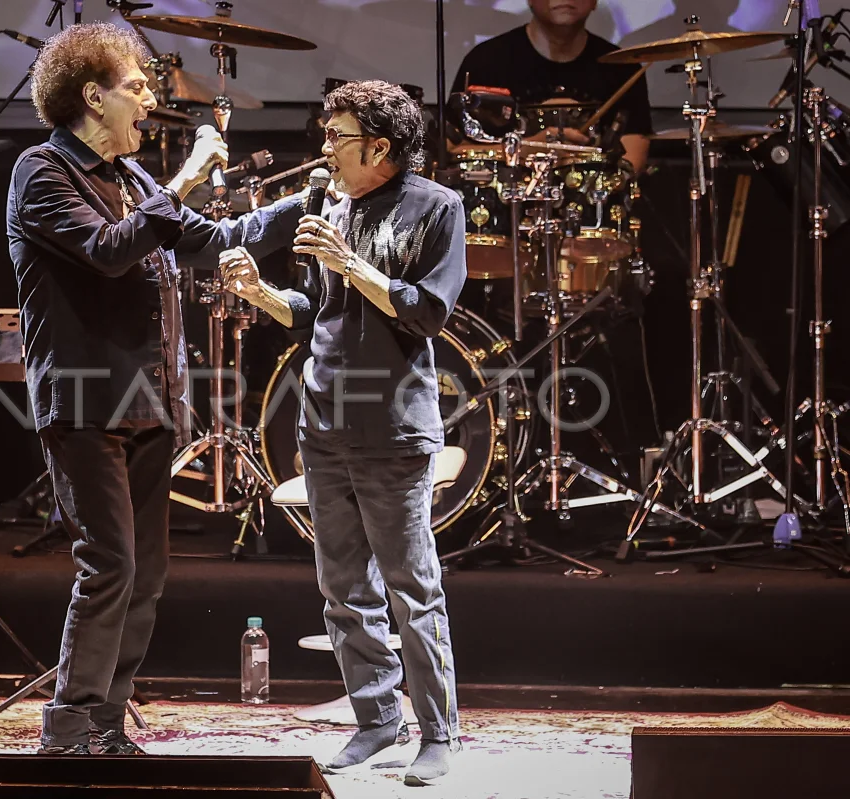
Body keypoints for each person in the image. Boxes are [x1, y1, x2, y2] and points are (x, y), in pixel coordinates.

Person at [7, 22, 306, 756]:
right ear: (93, 96)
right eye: (138, 86)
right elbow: (109, 251)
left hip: (151, 402)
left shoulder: (134, 181)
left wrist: (310, 200)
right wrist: (184, 180)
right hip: (85, 401)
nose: (151, 100)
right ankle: (67, 729)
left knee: (146, 575)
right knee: (109, 565)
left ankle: (107, 726)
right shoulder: (41, 172)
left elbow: (213, 239)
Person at [220, 80, 466, 787]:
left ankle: (438, 733)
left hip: (394, 425)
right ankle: (377, 718)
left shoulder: (437, 207)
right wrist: (261, 294)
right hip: (323, 421)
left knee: (411, 588)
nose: (324, 147)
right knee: (343, 588)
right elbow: (314, 313)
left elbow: (427, 313)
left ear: (379, 147)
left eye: (337, 136)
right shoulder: (331, 205)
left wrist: (350, 263)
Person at [451, 0, 652, 172]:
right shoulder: (486, 61)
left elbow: (633, 156)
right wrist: (524, 151)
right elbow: (451, 149)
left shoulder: (622, 67)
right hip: (506, 201)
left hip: (595, 199)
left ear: (594, 2)